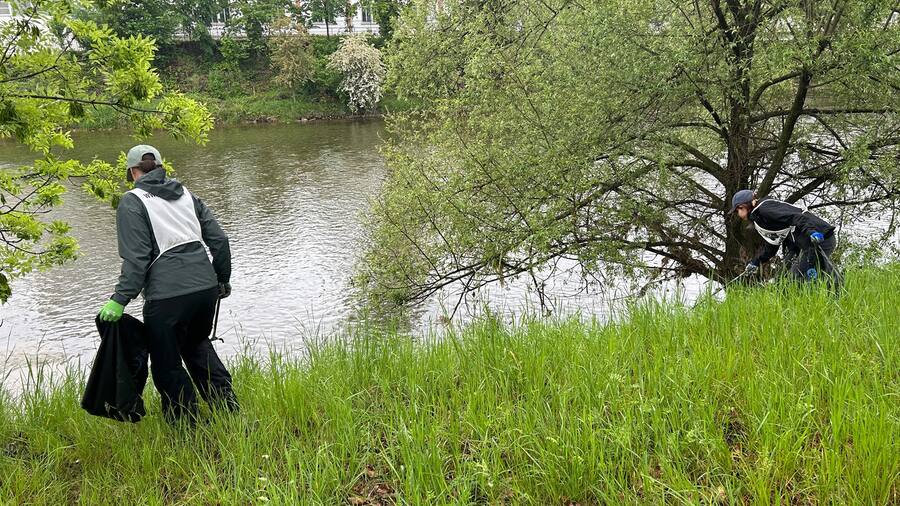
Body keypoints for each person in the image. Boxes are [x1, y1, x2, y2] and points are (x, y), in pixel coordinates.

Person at [97, 145, 237, 423]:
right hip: (205, 290)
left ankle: (187, 428)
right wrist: (221, 280)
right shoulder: (187, 195)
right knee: (197, 345)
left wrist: (119, 299)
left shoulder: (132, 201)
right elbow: (220, 242)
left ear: (132, 172)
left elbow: (136, 260)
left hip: (167, 297)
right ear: (162, 167)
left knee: (166, 363)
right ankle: (229, 411)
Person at [729, 189, 837, 282]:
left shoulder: (765, 208)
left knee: (797, 278)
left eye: (738, 210)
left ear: (744, 206)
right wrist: (756, 262)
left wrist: (812, 232)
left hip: (820, 238)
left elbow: (796, 217)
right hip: (807, 245)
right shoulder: (759, 219)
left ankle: (840, 292)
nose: (738, 214)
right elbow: (772, 243)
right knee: (784, 278)